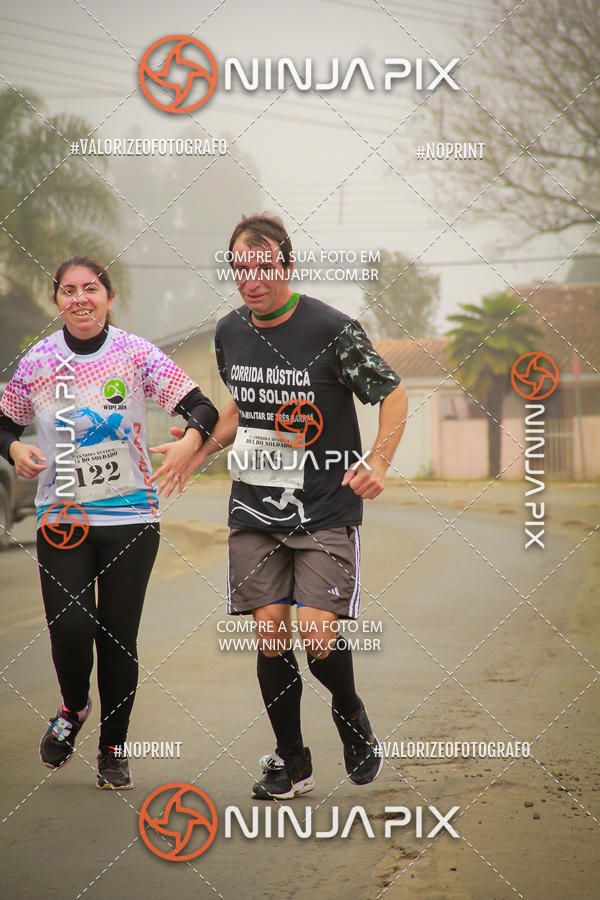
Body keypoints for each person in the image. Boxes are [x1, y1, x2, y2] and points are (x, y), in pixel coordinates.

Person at [163, 215, 408, 799]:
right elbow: (238, 408)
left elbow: (393, 392)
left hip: (325, 506)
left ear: (286, 265)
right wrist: (195, 449)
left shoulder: (333, 329)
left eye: (263, 266)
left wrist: (378, 461)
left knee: (317, 633)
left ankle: (352, 723)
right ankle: (292, 761)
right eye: (241, 269)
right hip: (254, 506)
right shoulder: (230, 331)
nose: (252, 279)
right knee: (270, 632)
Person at [0, 255, 218, 789]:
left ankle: (114, 749)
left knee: (118, 638)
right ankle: (74, 707)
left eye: (90, 288)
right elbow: (3, 421)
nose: (80, 298)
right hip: (64, 517)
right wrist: (13, 449)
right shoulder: (40, 361)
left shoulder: (135, 354)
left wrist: (188, 443)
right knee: (70, 629)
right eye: (68, 290)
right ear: (57, 301)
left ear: (109, 296)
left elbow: (202, 408)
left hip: (132, 517)